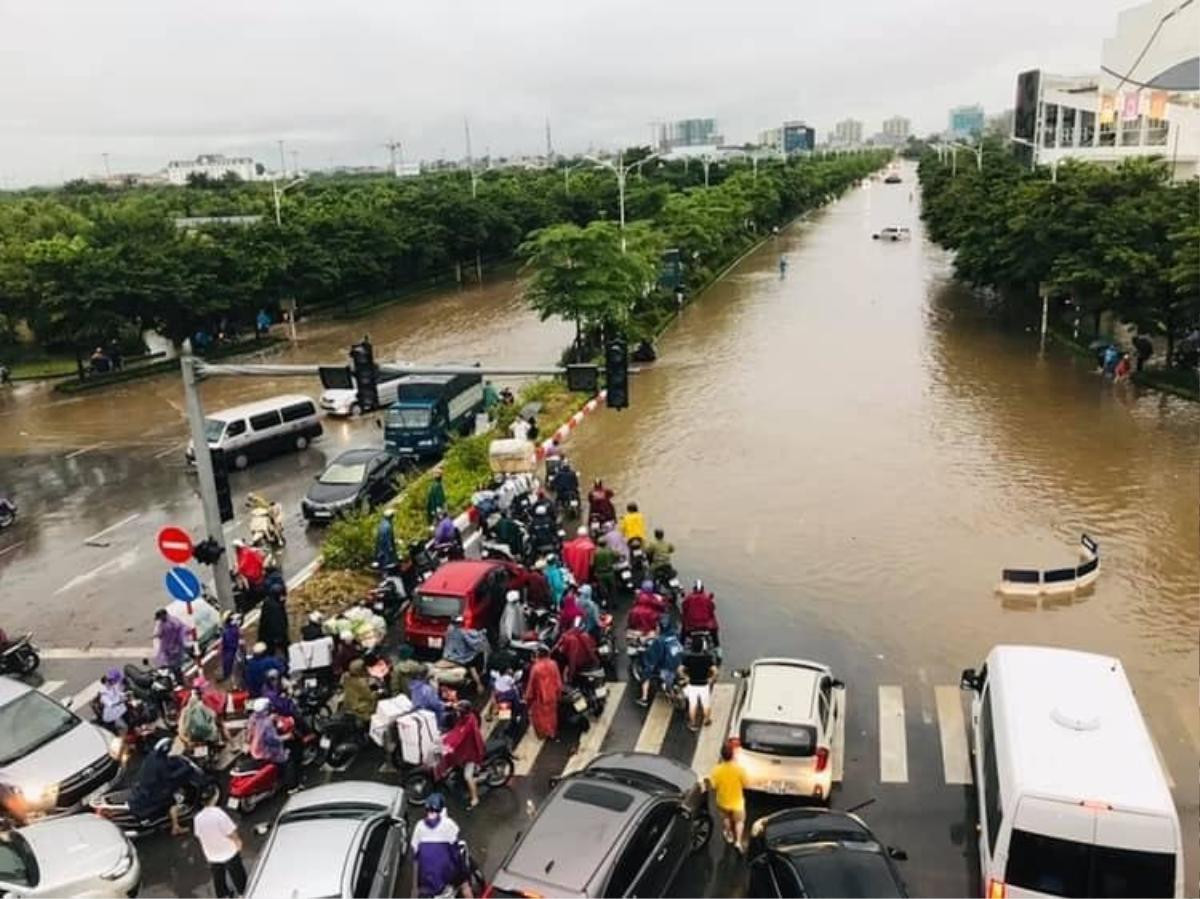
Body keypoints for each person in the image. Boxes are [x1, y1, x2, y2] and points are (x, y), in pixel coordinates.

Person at [411, 793, 470, 898]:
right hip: (444, 881)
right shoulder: (449, 824)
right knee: (465, 885)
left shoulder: (419, 826)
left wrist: (414, 887)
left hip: (425, 882)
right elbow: (455, 852)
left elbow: (416, 858)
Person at [128, 738, 192, 835]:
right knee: (173, 801)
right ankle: (176, 827)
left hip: (144, 785)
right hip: (155, 791)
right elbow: (170, 777)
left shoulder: (152, 756)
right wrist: (184, 769)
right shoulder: (161, 764)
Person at [194, 789, 247, 899]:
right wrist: (238, 842)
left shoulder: (197, 818)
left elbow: (199, 836)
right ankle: (243, 894)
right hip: (228, 851)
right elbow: (231, 832)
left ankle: (224, 895)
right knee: (237, 874)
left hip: (212, 854)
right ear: (214, 798)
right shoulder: (219, 813)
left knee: (218, 877)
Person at [246, 697, 299, 792]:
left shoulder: (253, 717)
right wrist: (287, 736)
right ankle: (292, 786)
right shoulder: (267, 723)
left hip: (253, 748)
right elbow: (273, 740)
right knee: (287, 760)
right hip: (265, 751)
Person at [440, 703, 485, 808]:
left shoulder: (468, 725)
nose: (458, 713)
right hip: (467, 750)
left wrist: (450, 746)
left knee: (467, 776)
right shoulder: (467, 718)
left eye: (459, 711)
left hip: (471, 754)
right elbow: (456, 731)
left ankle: (475, 798)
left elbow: (461, 739)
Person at [707, 741, 748, 852]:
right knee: (739, 821)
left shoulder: (716, 770)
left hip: (722, 801)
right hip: (737, 802)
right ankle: (738, 842)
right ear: (733, 755)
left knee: (726, 818)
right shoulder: (739, 769)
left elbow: (713, 786)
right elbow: (746, 783)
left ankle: (728, 833)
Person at [637, 616, 682, 707]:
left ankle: (644, 698)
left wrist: (649, 665)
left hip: (667, 668)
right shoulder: (675, 635)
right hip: (680, 663)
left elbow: (653, 657)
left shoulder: (659, 641)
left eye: (657, 626)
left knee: (647, 674)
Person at [680, 633, 718, 731]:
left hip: (692, 684)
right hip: (704, 684)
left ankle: (693, 723)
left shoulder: (688, 658)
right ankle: (706, 720)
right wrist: (711, 679)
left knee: (693, 705)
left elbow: (680, 669)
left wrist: (686, 677)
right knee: (706, 704)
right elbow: (715, 671)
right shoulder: (707, 658)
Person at [524, 645, 562, 740]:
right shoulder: (553, 664)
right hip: (552, 695)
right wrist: (558, 693)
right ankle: (551, 732)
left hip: (540, 698)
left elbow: (531, 685)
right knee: (552, 715)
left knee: (540, 718)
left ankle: (542, 734)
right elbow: (558, 681)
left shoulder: (536, 668)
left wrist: (528, 699)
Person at [444, 617, 488, 692]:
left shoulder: (449, 629)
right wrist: (481, 634)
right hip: (460, 656)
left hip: (448, 654)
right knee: (472, 665)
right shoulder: (462, 632)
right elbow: (472, 641)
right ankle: (479, 684)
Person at [555, 619, 600, 683]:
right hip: (584, 663)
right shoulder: (583, 635)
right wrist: (596, 661)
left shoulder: (569, 638)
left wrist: (570, 676)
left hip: (579, 665)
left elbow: (572, 659)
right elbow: (590, 651)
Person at [681, 580, 719, 645]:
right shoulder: (707, 598)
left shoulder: (688, 598)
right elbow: (712, 608)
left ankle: (681, 644)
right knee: (714, 630)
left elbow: (684, 608)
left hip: (691, 625)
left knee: (683, 631)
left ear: (694, 589)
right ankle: (717, 646)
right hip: (706, 625)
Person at [341, 659, 378, 725]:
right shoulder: (362, 683)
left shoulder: (346, 677)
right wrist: (376, 693)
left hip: (349, 705)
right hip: (360, 709)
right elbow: (369, 696)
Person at [152, 608, 188, 676]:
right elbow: (160, 633)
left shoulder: (172, 622)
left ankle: (179, 678)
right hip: (168, 646)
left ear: (164, 615)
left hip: (174, 646)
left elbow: (180, 630)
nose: (160, 619)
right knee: (170, 662)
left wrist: (179, 642)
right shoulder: (162, 623)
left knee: (175, 665)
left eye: (160, 617)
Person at [258, 583, 290, 657]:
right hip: (276, 642)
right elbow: (278, 625)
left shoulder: (268, 604)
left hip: (268, 640)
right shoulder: (275, 608)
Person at [98, 669, 129, 734]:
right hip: (112, 714)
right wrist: (120, 701)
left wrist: (125, 694)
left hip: (120, 709)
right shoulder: (104, 693)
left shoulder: (113, 686)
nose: (116, 683)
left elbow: (118, 693)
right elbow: (110, 704)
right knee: (123, 728)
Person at [219, 612, 242, 683]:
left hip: (230, 651)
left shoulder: (229, 629)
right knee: (232, 667)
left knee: (230, 666)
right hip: (231, 651)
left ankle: (228, 677)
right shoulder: (230, 630)